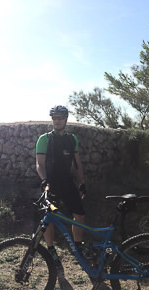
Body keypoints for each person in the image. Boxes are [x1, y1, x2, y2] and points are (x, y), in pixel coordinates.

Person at [35, 105, 87, 262]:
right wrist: (44, 181)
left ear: (66, 119)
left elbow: (77, 163)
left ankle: (78, 245)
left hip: (68, 182)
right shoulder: (45, 139)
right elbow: (39, 164)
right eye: (54, 118)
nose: (57, 121)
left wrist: (82, 183)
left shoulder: (72, 139)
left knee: (79, 214)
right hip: (51, 184)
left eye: (60, 118)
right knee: (48, 217)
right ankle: (51, 248)